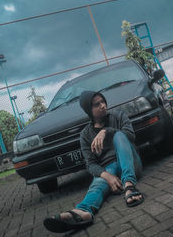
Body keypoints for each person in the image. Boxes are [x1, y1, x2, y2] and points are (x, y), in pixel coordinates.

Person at [44, 91, 144, 233]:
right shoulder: (85, 135)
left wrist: (106, 131)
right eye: (97, 104)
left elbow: (131, 136)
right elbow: (90, 164)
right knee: (97, 184)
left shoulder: (118, 116)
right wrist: (106, 176)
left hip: (130, 163)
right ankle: (83, 212)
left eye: (103, 101)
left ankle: (129, 186)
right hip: (109, 170)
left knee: (119, 135)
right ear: (88, 110)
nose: (103, 106)